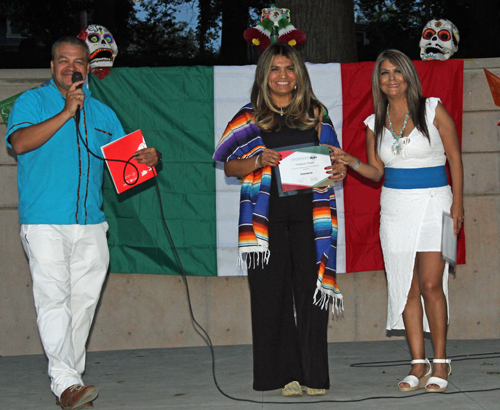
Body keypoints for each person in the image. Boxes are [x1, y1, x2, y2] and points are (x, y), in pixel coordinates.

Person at [5, 36, 160, 410]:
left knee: (83, 305)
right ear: (52, 65)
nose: (70, 67)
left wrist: (148, 159)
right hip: (45, 223)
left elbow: (129, 169)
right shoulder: (32, 102)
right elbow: (20, 143)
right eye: (63, 60)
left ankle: (68, 385)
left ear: (88, 69)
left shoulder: (104, 114)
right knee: (53, 301)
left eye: (78, 62)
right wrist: (65, 113)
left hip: (91, 224)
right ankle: (66, 383)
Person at [213, 43, 346, 397]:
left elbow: (336, 162)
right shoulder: (249, 115)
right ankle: (282, 375)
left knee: (310, 294)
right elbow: (228, 165)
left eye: (289, 68)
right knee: (271, 297)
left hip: (310, 217)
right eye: (275, 69)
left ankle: (314, 376)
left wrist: (337, 169)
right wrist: (256, 161)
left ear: (298, 74)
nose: (283, 75)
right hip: (265, 221)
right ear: (264, 75)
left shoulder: (317, 113)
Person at [333, 49, 464, 393]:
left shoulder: (433, 108)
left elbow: (455, 157)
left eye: (397, 71)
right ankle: (417, 363)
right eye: (384, 73)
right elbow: (376, 173)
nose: (391, 78)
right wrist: (351, 161)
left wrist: (459, 207)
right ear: (378, 81)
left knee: (432, 285)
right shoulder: (374, 122)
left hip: (437, 205)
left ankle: (440, 361)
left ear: (408, 75)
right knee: (405, 287)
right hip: (395, 209)